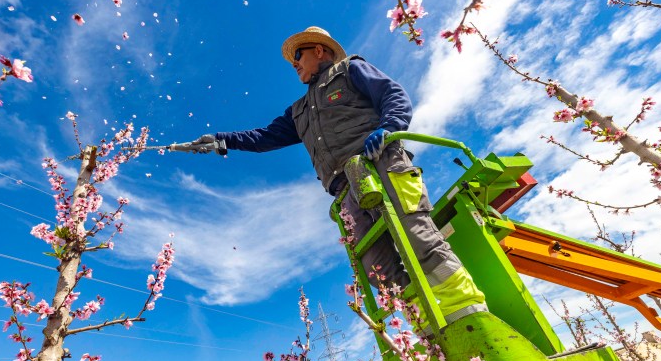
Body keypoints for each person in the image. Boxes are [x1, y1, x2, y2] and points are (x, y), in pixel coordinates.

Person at [193, 26, 486, 329]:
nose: (294, 65)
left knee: (417, 235)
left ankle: (467, 309)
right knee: (376, 268)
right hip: (345, 190)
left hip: (379, 164)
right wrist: (222, 139)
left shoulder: (350, 71)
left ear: (318, 50)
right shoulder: (299, 112)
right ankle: (427, 323)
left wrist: (388, 128)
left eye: (298, 56)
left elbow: (392, 94)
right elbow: (264, 136)